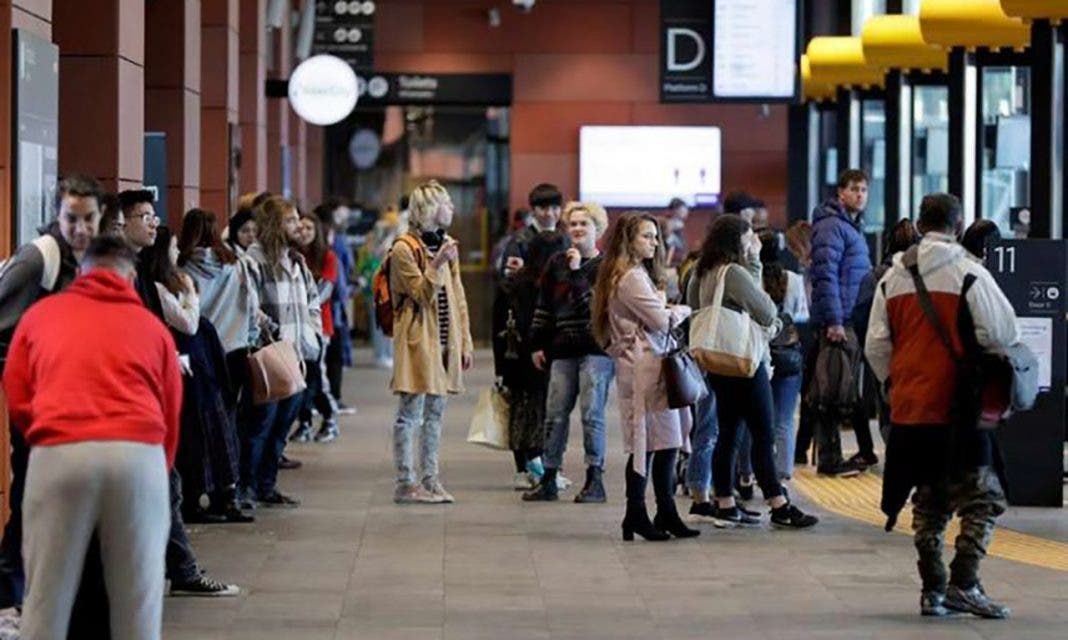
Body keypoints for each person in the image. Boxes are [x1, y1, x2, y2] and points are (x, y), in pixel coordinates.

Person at [2, 236, 181, 639]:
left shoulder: (42, 315)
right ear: (130, 277)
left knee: (46, 598)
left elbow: (17, 388)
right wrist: (156, 468)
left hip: (61, 450)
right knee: (138, 602)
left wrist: (44, 439)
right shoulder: (152, 328)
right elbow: (171, 411)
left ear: (81, 273)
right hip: (137, 452)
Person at [865, 193, 1019, 619]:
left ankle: (932, 588)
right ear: (959, 224)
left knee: (929, 500)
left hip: (910, 408)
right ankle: (964, 583)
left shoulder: (892, 277)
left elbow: (876, 345)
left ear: (919, 224)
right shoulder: (969, 272)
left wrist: (898, 382)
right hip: (959, 408)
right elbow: (1002, 332)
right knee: (984, 498)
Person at [118, 190, 240, 597]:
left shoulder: (140, 273)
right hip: (127, 399)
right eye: (144, 216)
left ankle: (172, 570)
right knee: (161, 487)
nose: (153, 222)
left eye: (153, 215)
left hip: (148, 392)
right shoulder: (123, 274)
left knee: (165, 486)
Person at [0, 174, 104, 613]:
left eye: (88, 218)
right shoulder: (38, 258)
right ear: (57, 216)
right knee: (32, 496)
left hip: (79, 404)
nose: (80, 228)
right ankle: (9, 597)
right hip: (39, 406)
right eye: (70, 218)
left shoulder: (95, 261)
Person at [688, 214, 819, 529]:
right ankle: (779, 504)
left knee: (728, 431)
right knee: (763, 431)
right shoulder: (733, 272)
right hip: (744, 361)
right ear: (738, 241)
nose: (754, 241)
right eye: (749, 237)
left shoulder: (699, 271)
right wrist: (755, 260)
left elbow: (695, 310)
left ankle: (725, 504)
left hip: (716, 359)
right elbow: (767, 310)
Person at [591, 211, 698, 541]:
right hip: (645, 369)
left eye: (655, 236)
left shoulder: (628, 274)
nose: (654, 243)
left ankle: (660, 512)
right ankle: (639, 512)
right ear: (629, 241)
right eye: (646, 236)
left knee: (662, 442)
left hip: (648, 365)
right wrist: (681, 310)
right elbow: (660, 321)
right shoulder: (631, 278)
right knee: (649, 444)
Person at [522, 202, 614, 503]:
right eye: (572, 224)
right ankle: (549, 477)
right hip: (562, 349)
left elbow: (593, 308)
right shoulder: (556, 263)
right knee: (555, 415)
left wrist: (576, 274)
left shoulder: (606, 266)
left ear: (597, 229)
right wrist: (537, 343)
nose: (577, 229)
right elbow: (544, 305)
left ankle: (594, 479)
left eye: (584, 224)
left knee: (591, 414)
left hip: (596, 349)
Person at [389, 181, 473, 504]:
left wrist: (465, 340)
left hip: (445, 341)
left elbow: (458, 295)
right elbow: (421, 294)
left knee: (435, 414)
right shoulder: (403, 248)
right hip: (417, 338)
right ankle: (405, 482)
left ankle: (431, 479)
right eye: (445, 202)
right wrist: (437, 263)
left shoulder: (447, 244)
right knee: (410, 413)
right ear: (429, 208)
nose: (451, 208)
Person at [178, 207, 259, 523]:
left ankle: (198, 490)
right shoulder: (235, 264)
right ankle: (226, 494)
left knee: (198, 428)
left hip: (200, 353)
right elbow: (250, 305)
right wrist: (249, 337)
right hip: (234, 351)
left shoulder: (181, 267)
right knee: (229, 423)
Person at [244, 196, 322, 507]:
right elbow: (250, 305)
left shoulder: (297, 260)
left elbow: (313, 300)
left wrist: (312, 334)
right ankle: (247, 488)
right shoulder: (255, 260)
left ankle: (267, 486)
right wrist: (274, 331)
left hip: (298, 356)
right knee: (259, 427)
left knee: (280, 429)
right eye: (290, 220)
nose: (298, 226)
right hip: (272, 356)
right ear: (274, 225)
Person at [491, 230, 569, 490]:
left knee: (520, 413)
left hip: (514, 358)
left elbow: (497, 327)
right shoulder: (548, 285)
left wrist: (500, 368)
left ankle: (524, 470)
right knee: (543, 414)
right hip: (542, 358)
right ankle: (544, 469)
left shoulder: (511, 283)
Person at [809, 169, 873, 476]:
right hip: (839, 320)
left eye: (864, 190)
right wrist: (834, 320)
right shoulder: (832, 227)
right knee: (831, 390)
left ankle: (836, 456)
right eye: (854, 189)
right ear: (841, 193)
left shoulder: (850, 227)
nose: (860, 195)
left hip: (849, 317)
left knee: (840, 388)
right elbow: (826, 276)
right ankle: (830, 459)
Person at [758, 229, 809, 482]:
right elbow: (803, 315)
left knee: (757, 419)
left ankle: (756, 472)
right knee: (785, 420)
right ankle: (784, 475)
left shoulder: (752, 280)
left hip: (759, 356)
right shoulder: (795, 280)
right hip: (788, 356)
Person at [291, 212, 341, 443]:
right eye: (300, 228)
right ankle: (305, 422)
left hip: (319, 326)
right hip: (295, 325)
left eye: (309, 228)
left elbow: (325, 292)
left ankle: (330, 420)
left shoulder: (328, 256)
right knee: (301, 377)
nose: (304, 232)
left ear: (317, 231)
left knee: (317, 376)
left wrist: (302, 306)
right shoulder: (293, 254)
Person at [314, 198, 357, 409]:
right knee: (333, 358)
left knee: (322, 359)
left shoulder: (311, 251)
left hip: (323, 312)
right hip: (330, 313)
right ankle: (332, 400)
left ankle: (322, 400)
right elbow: (339, 288)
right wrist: (350, 289)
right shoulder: (333, 249)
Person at [356, 209, 400, 369]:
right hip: (376, 288)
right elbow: (366, 265)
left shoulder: (393, 242)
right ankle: (381, 355)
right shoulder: (373, 245)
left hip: (389, 288)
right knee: (379, 325)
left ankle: (387, 354)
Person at [499, 183, 564, 277]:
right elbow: (507, 277)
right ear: (533, 210)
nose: (549, 213)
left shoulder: (565, 238)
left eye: (555, 208)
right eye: (543, 208)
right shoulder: (520, 240)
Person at [664, 197, 689, 268]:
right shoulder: (671, 224)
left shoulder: (679, 224)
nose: (686, 212)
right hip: (671, 262)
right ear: (676, 210)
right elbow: (669, 243)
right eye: (683, 209)